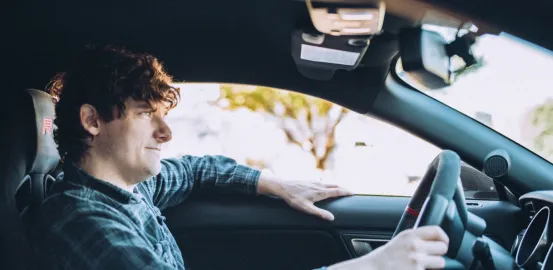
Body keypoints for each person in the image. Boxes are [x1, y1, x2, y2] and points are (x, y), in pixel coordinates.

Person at [31, 45, 449, 270]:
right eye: (146, 115)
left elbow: (194, 171)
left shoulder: (128, 189)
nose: (166, 132)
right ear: (92, 121)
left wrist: (274, 184)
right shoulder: (80, 221)